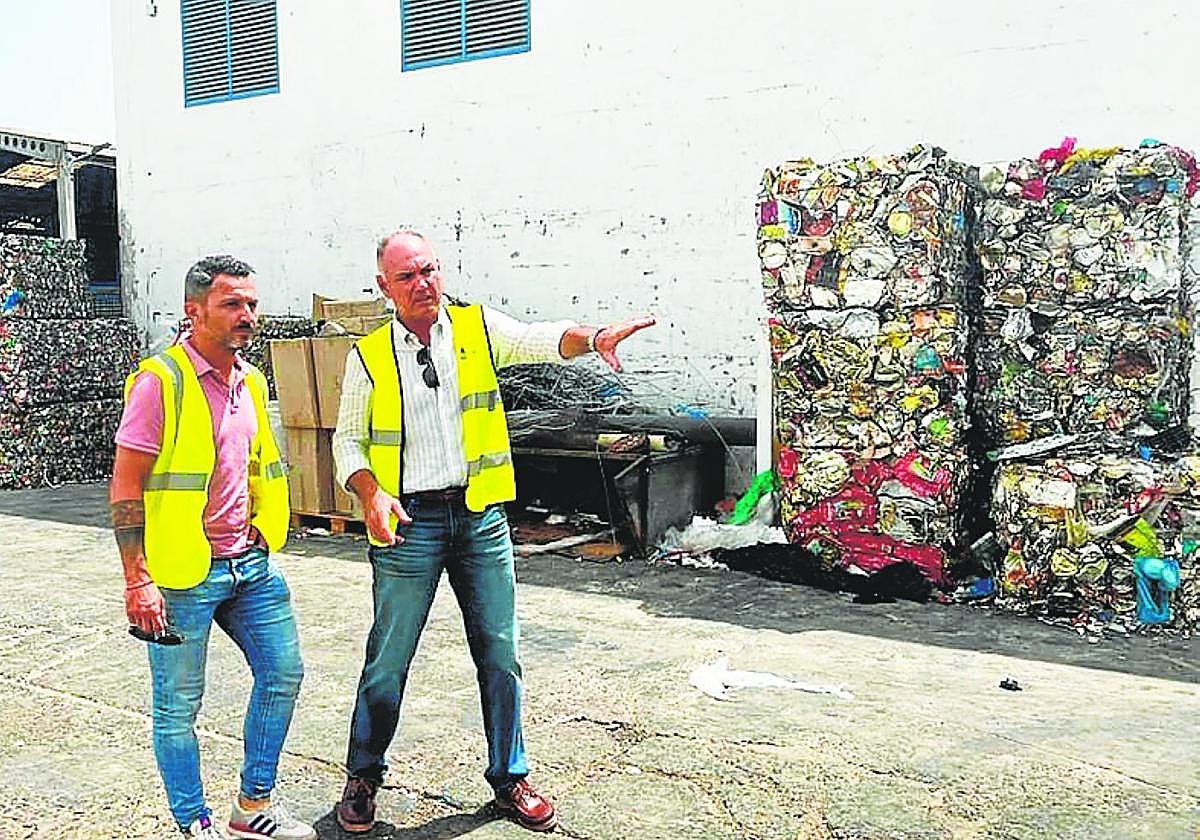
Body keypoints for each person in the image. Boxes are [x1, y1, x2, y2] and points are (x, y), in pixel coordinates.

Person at [332, 230, 655, 833]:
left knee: (500, 654)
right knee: (388, 657)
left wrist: (594, 338)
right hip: (410, 523)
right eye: (407, 277)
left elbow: (542, 339)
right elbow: (346, 437)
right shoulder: (369, 356)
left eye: (429, 270)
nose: (423, 283)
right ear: (384, 288)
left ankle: (510, 778)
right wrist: (370, 492)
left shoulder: (477, 329)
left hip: (479, 516)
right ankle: (363, 775)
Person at [110, 256, 313, 840]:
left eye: (251, 303)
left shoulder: (250, 380)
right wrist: (136, 578)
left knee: (283, 673)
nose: (246, 314)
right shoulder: (161, 381)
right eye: (232, 303)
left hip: (249, 563)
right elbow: (126, 486)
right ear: (193, 311)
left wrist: (261, 526)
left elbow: (249, 467)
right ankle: (192, 821)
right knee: (178, 706)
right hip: (181, 573)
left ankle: (251, 808)